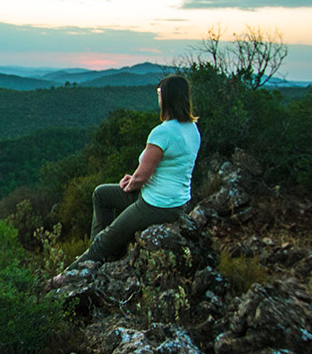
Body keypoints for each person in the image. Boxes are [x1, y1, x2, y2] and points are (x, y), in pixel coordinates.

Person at [51, 74, 201, 286]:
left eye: (159, 93)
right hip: (176, 201)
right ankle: (102, 252)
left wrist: (131, 183)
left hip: (156, 204)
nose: (157, 97)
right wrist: (135, 180)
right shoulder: (192, 129)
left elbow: (142, 177)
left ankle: (61, 279)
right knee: (101, 194)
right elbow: (167, 168)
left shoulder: (163, 132)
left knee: (106, 237)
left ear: (167, 98)